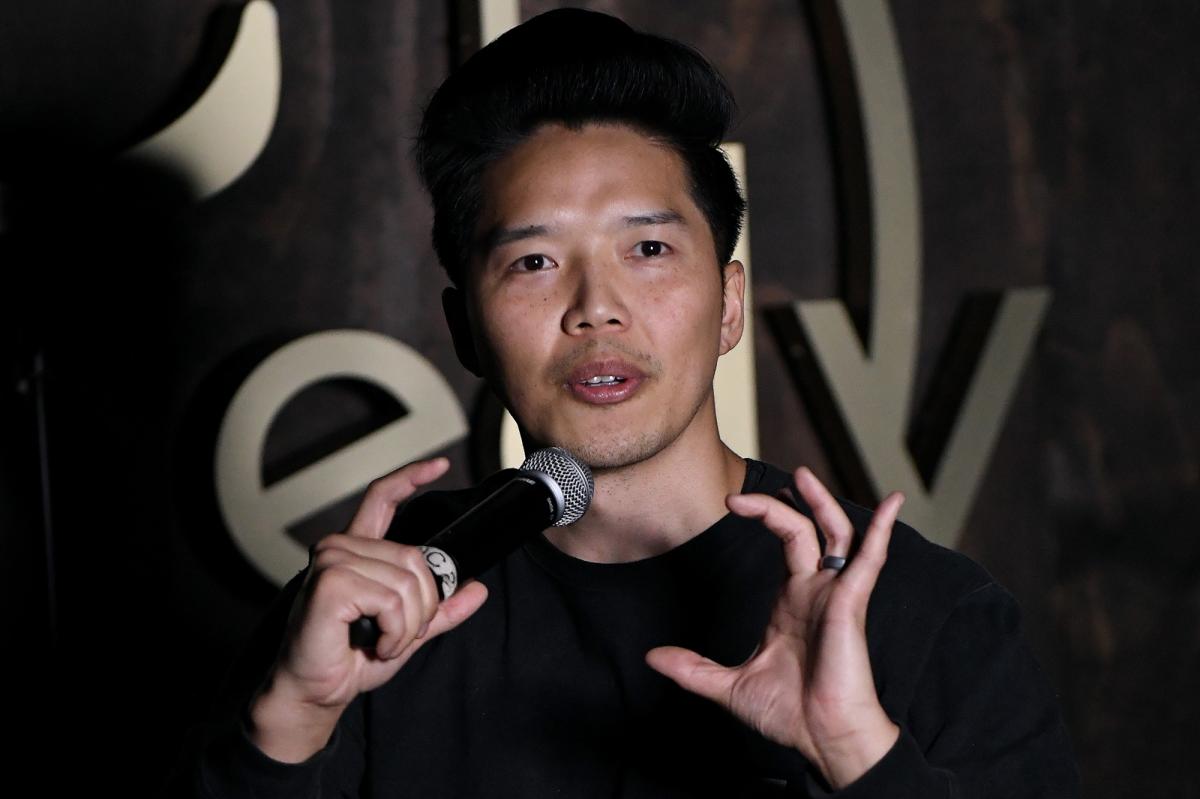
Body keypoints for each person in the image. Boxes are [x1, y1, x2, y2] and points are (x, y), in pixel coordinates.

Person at [183, 8, 1078, 797]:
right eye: (534, 261)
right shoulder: (377, 610)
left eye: (648, 249)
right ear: (464, 330)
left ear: (729, 304)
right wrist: (291, 722)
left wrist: (855, 754)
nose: (595, 307)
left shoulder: (926, 615)